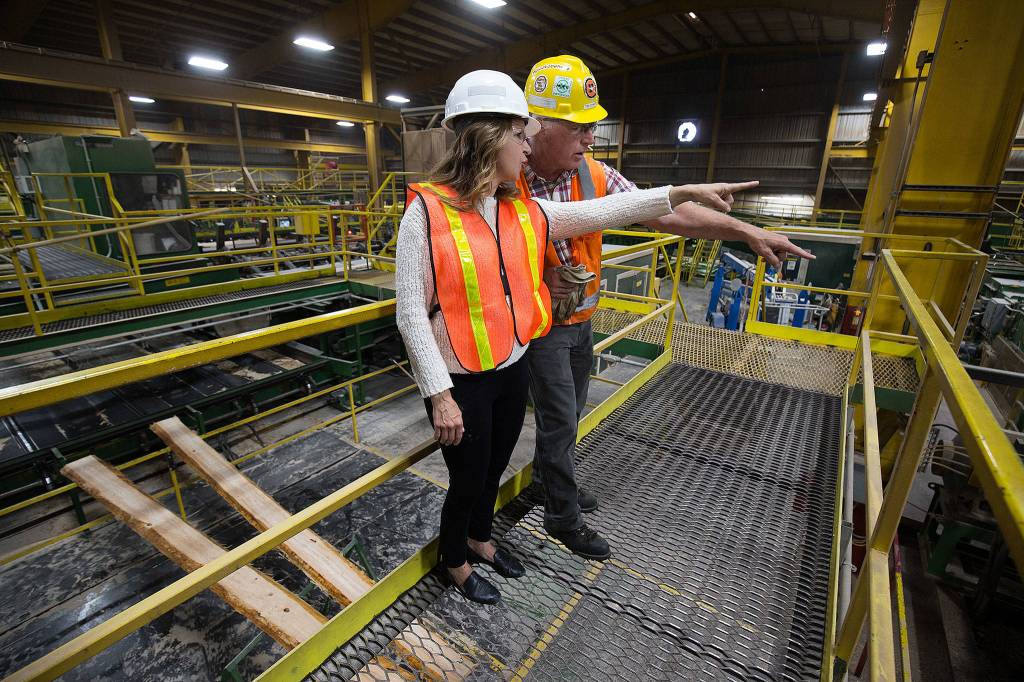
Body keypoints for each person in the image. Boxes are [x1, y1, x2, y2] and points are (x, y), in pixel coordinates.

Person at [395, 69, 763, 604]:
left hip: (511, 365)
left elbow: (607, 209)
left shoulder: (521, 209)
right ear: (491, 136)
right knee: (468, 479)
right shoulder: (425, 214)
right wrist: (440, 395)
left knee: (495, 467)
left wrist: (678, 191)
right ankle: (454, 560)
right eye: (522, 137)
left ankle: (479, 538)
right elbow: (410, 312)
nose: (527, 149)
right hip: (461, 380)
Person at [518, 55, 815, 561]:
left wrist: (749, 232)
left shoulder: (590, 171)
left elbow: (667, 210)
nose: (590, 138)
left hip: (581, 318)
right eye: (579, 127)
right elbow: (554, 221)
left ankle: (554, 484)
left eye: (593, 127)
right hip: (540, 326)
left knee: (570, 415)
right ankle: (561, 515)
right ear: (538, 124)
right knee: (560, 421)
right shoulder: (509, 177)